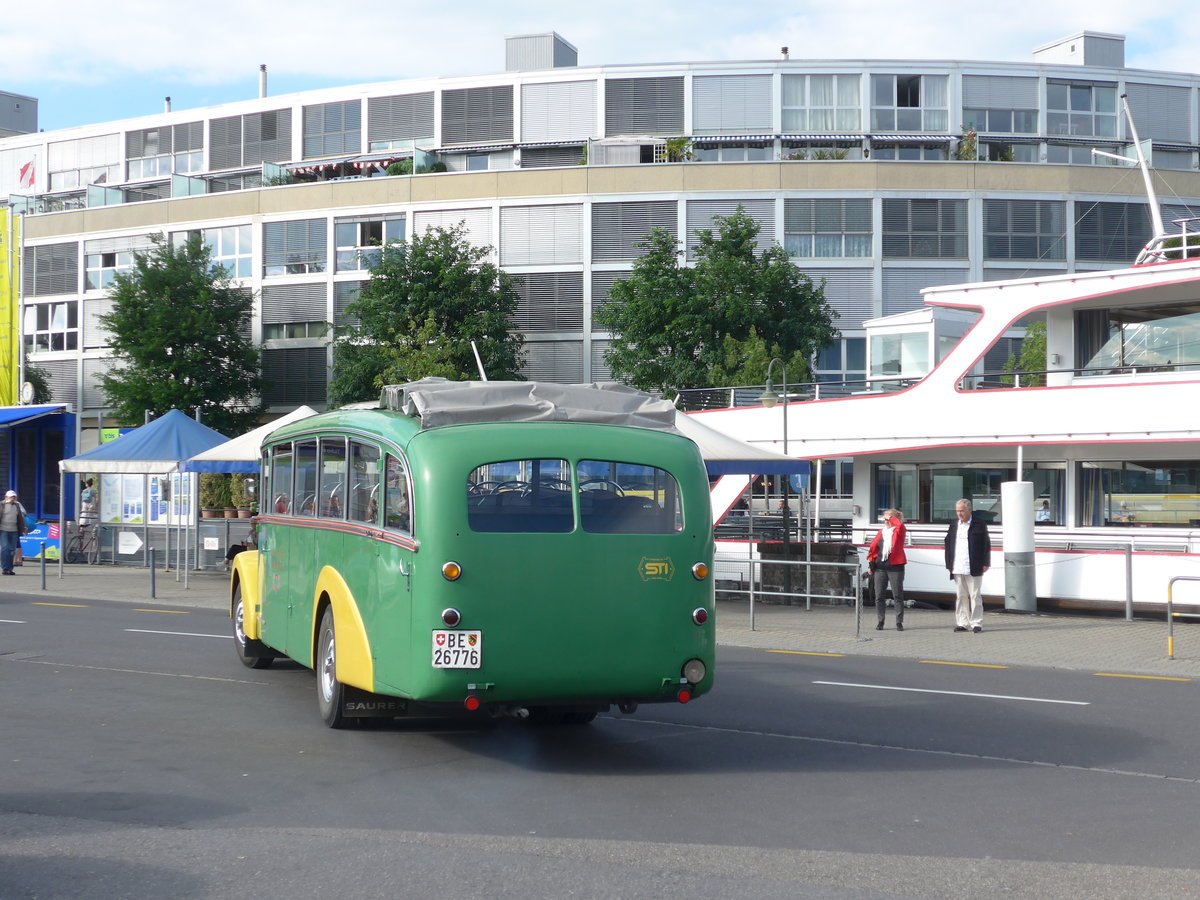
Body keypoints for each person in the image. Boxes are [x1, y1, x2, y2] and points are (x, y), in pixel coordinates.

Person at [945, 498, 991, 633]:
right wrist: (949, 563)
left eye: (962, 511)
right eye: (957, 511)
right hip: (957, 565)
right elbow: (948, 544)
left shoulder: (979, 524)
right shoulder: (954, 524)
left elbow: (986, 544)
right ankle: (962, 622)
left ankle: (976, 623)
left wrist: (986, 562)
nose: (959, 514)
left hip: (974, 565)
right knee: (961, 596)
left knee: (975, 595)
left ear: (969, 510)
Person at [867, 508, 907, 631]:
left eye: (887, 519)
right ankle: (880, 621)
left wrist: (892, 518)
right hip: (880, 567)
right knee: (879, 595)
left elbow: (900, 525)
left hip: (895, 567)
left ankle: (899, 622)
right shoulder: (881, 532)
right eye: (884, 519)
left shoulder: (899, 531)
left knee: (897, 595)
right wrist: (871, 564)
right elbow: (874, 549)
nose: (885, 522)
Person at [0, 490, 29, 575]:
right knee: (5, 548)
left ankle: (9, 569)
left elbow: (20, 518)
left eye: (14, 497)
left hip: (14, 531)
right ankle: (5, 568)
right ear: (6, 497)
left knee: (12, 550)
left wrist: (24, 528)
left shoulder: (17, 505)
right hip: (3, 530)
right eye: (11, 497)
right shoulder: (1, 505)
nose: (12, 499)